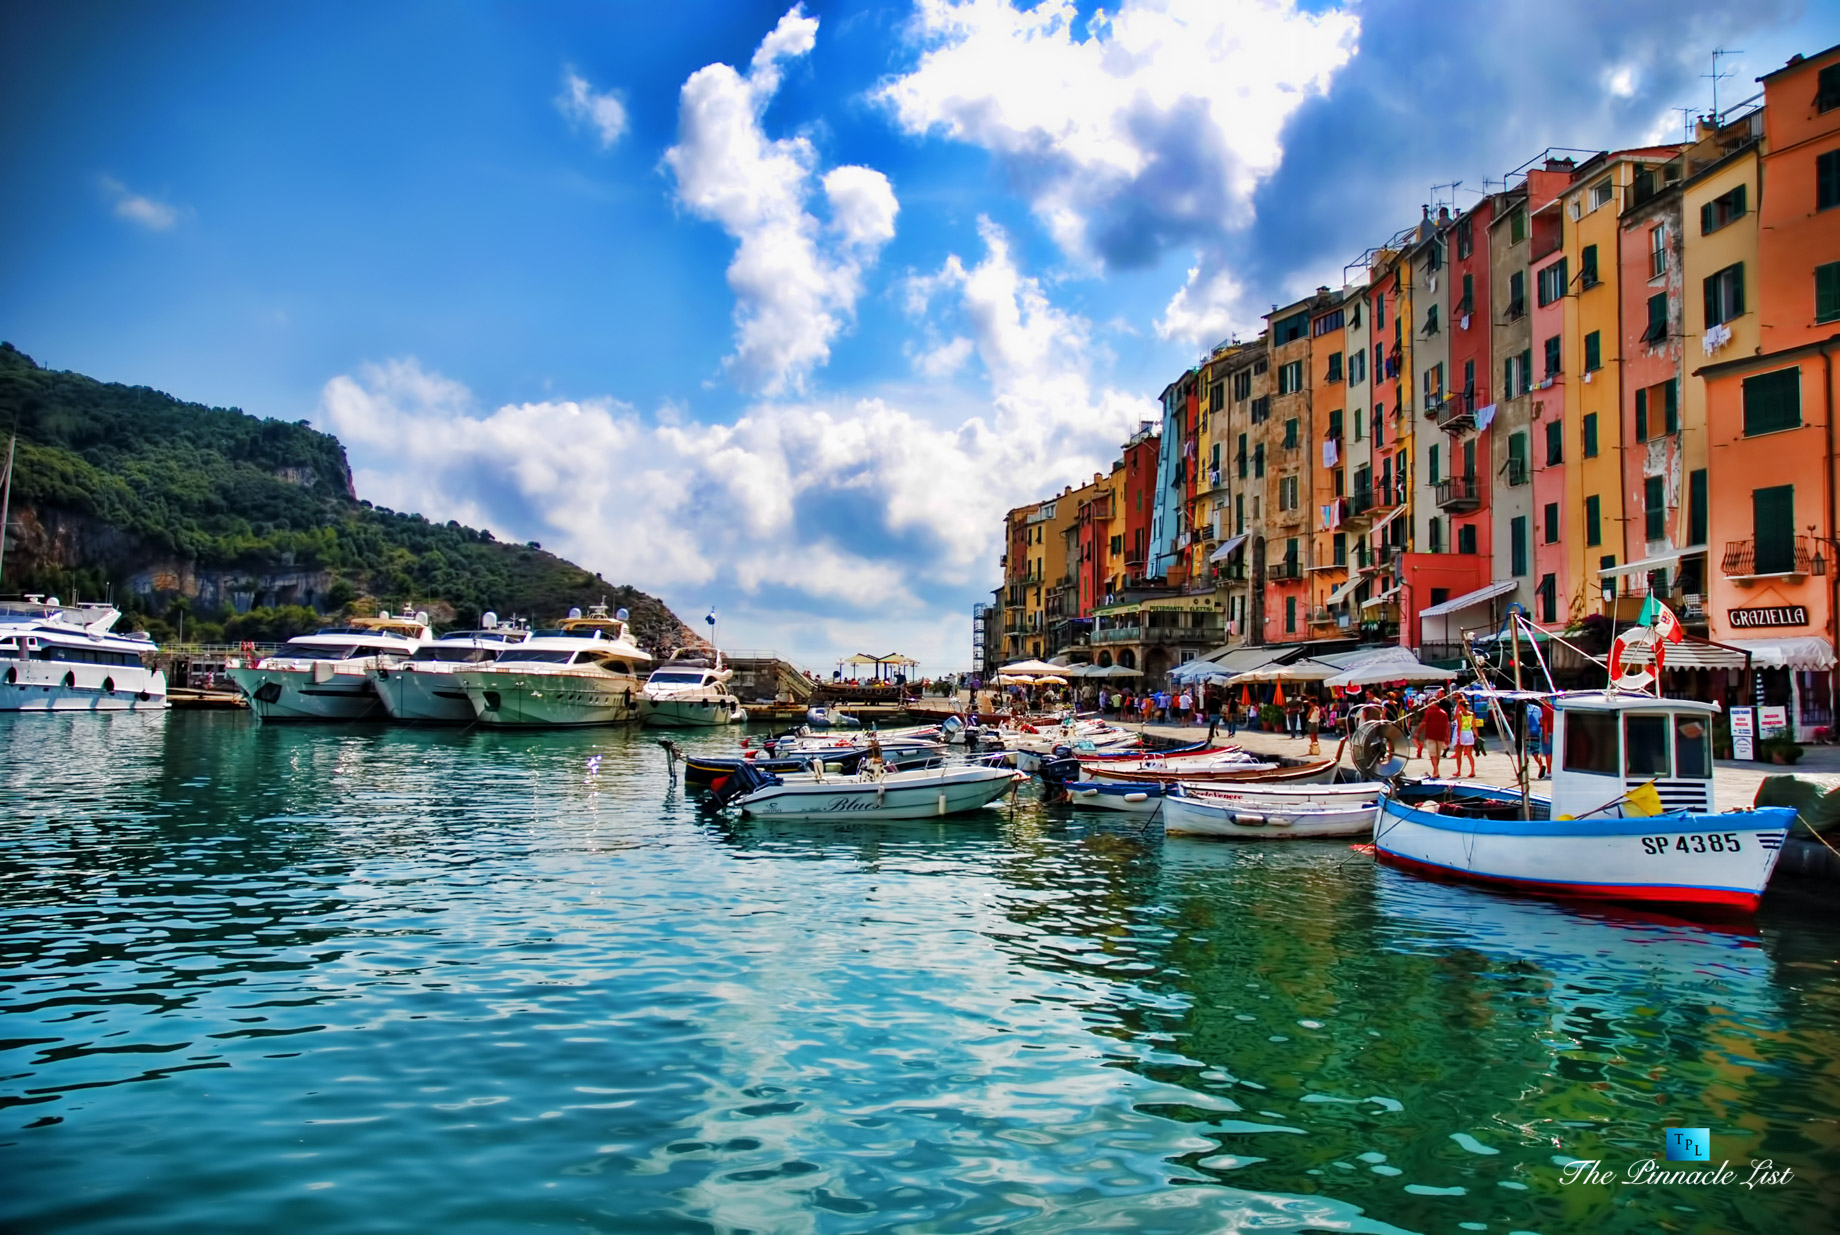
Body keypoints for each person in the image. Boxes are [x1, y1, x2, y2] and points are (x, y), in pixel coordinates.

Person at [1420, 692, 1450, 778]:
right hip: (1440, 736)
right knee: (1437, 755)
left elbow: (1424, 723)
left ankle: (1436, 770)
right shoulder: (1443, 713)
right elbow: (1447, 725)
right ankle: (1436, 771)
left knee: (1433, 755)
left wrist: (1418, 734)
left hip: (1430, 736)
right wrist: (1447, 737)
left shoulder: (1428, 712)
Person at [1453, 698, 1478, 778]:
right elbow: (1474, 727)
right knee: (1469, 755)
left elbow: (1459, 726)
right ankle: (1472, 770)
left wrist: (1458, 737)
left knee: (1458, 754)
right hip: (1469, 733)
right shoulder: (1471, 714)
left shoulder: (1459, 714)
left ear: (1461, 706)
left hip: (1462, 733)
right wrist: (1477, 736)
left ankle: (1459, 771)